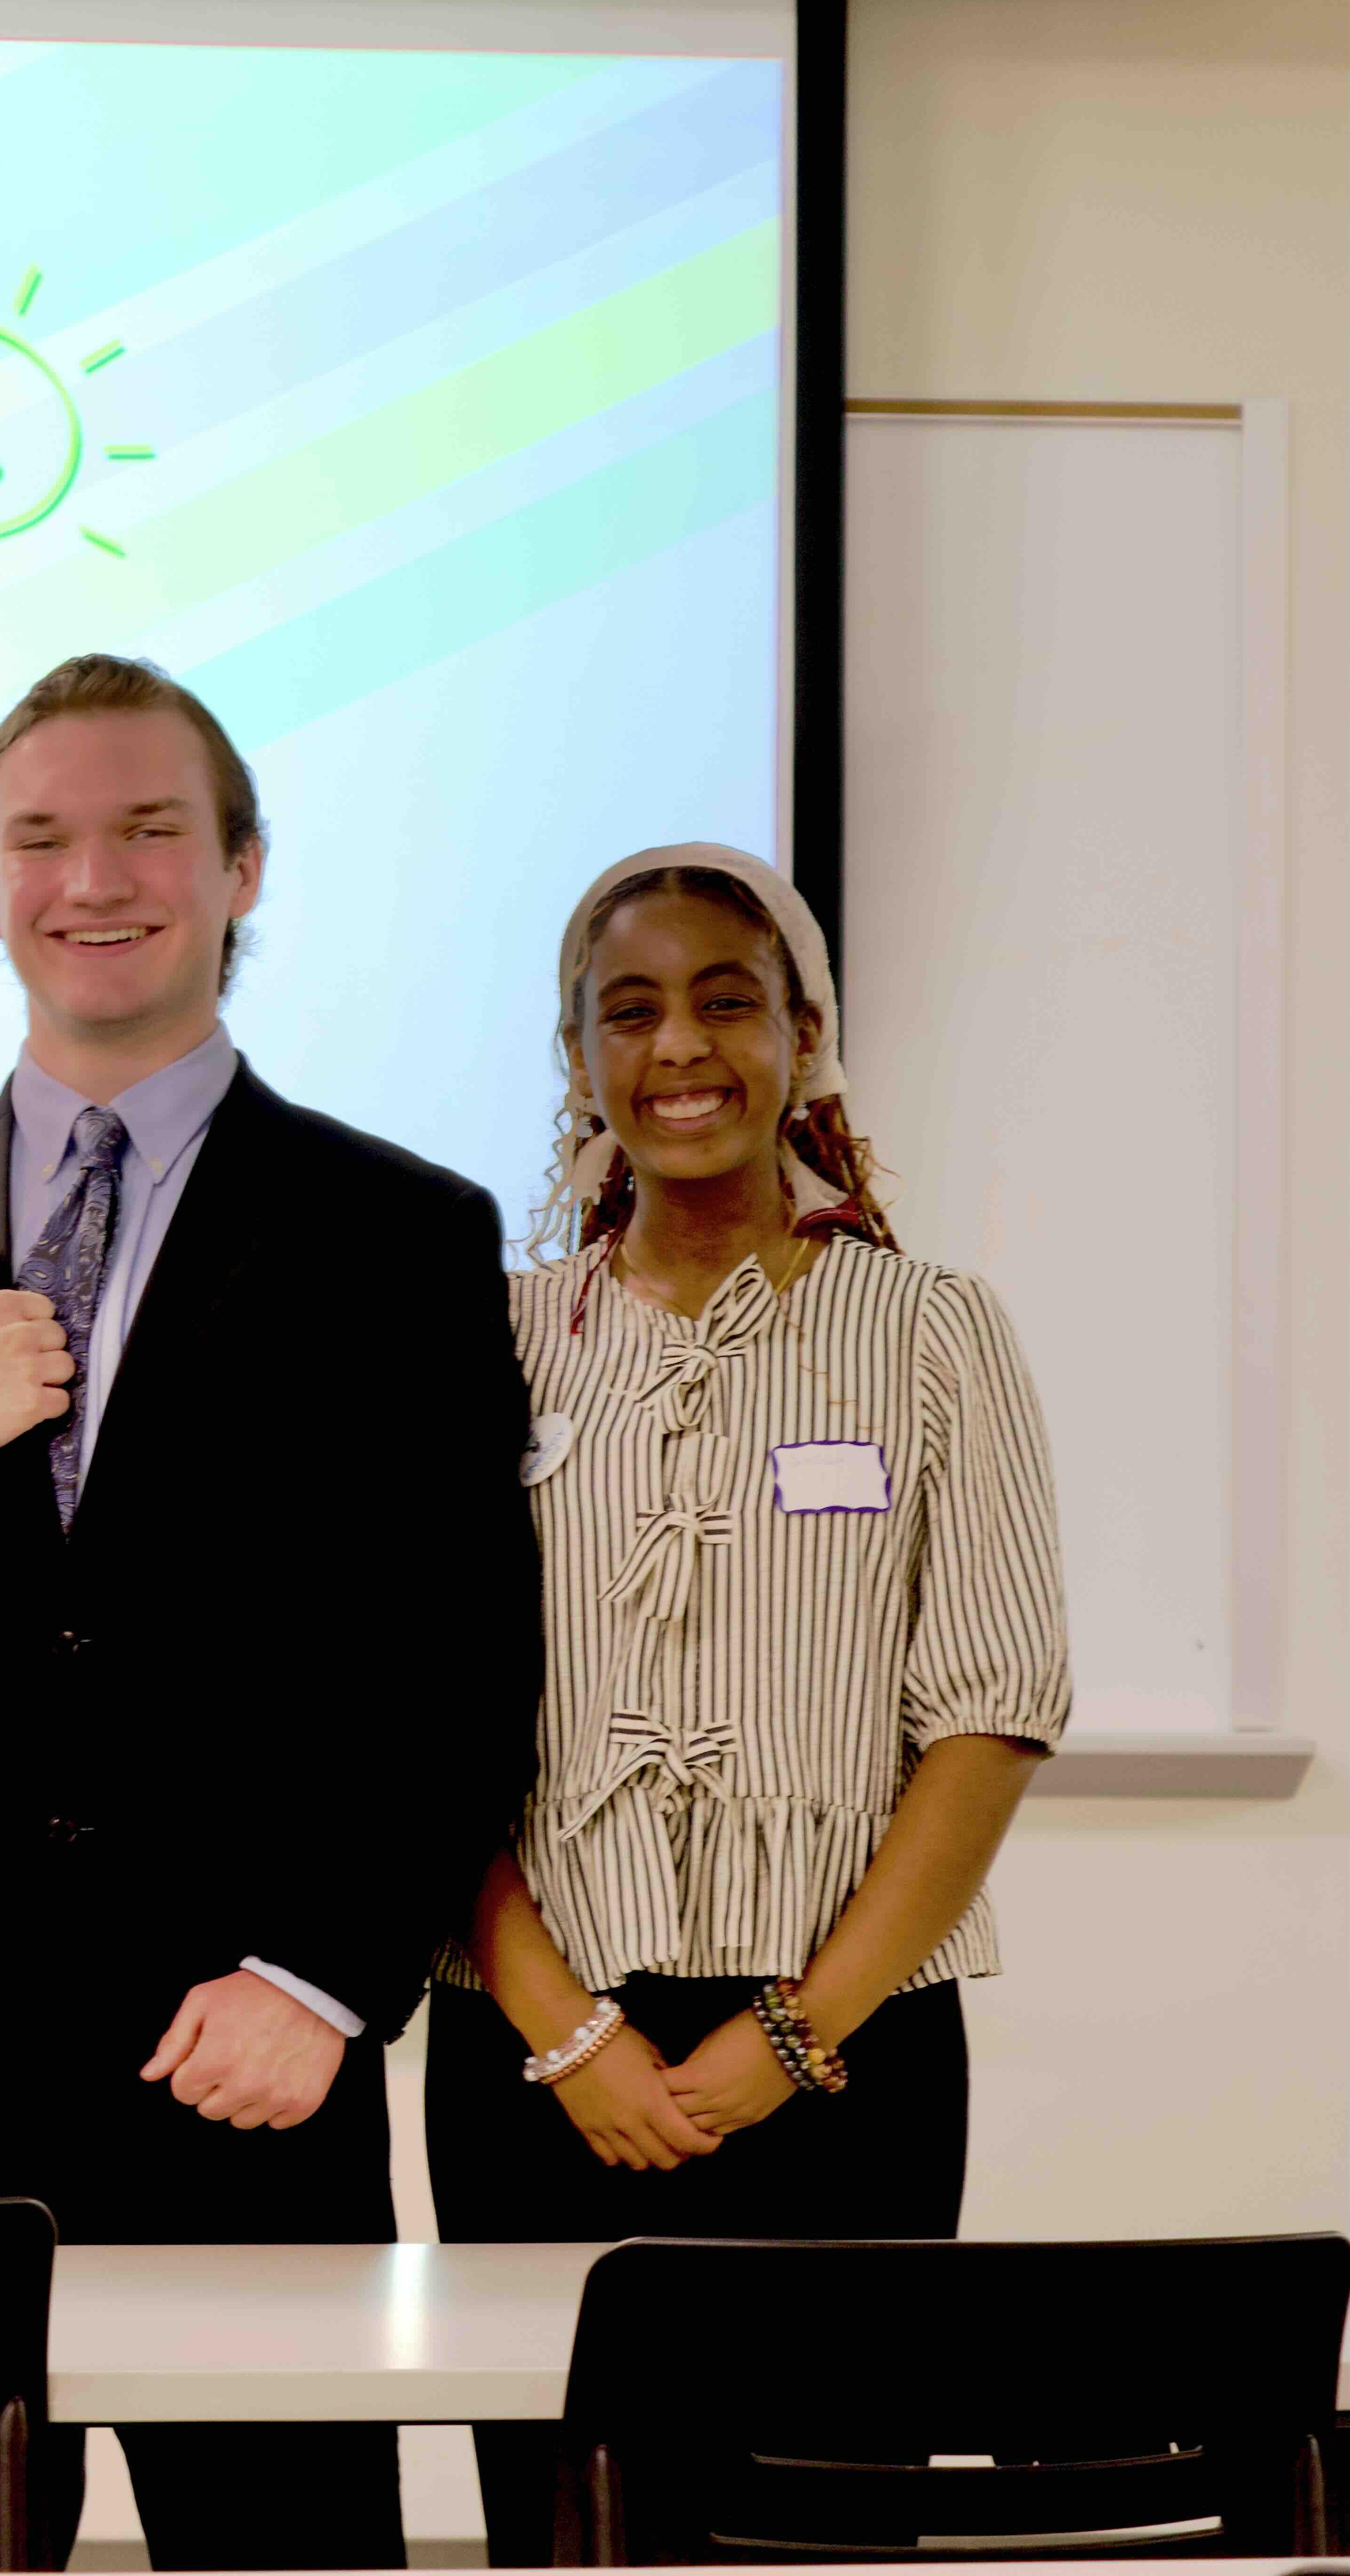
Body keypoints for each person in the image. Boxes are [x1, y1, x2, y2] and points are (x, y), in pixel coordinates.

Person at [0, 653, 541, 2573]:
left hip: (241, 2053)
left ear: (243, 868)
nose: (96, 878)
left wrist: (328, 1975)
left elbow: (466, 1656)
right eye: (42, 840)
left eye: (151, 829)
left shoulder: (400, 1229)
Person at [428, 843, 1070, 2562]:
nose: (678, 1048)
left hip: (846, 2058)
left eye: (727, 1000)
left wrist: (787, 2046)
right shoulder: (485, 1343)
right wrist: (563, 2033)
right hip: (536, 2055)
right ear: (575, 1059)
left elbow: (990, 1713)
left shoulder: (933, 1331)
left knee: (826, 2532)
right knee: (566, 2534)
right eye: (625, 1012)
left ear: (805, 1036)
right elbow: (422, 1726)